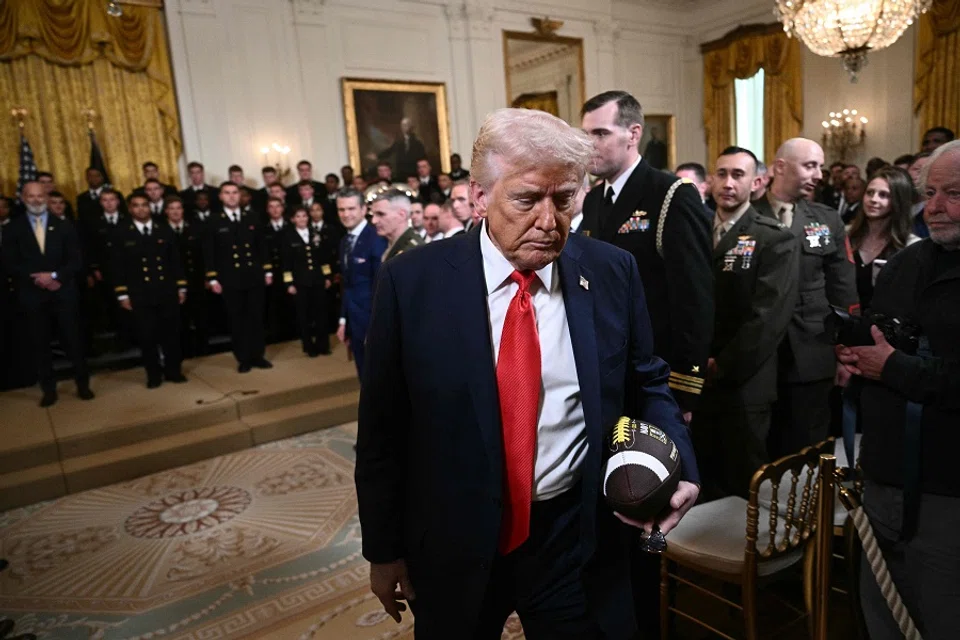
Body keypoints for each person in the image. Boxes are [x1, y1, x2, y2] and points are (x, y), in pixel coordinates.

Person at [355, 108, 699, 639]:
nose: (548, 220)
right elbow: (383, 428)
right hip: (455, 538)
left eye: (564, 199)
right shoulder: (412, 282)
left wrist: (683, 464)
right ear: (479, 196)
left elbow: (646, 379)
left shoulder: (611, 271)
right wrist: (383, 549)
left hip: (573, 537)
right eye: (526, 199)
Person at [835, 139, 960, 640]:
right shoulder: (909, 261)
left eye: (953, 193)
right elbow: (882, 336)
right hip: (882, 472)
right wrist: (856, 357)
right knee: (882, 611)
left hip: (947, 491)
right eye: (931, 192)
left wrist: (894, 368)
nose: (935, 207)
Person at [580, 90, 713, 421]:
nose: (589, 145)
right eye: (585, 135)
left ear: (633, 134)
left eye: (600, 133)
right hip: (609, 367)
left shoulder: (670, 193)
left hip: (658, 370)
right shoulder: (594, 200)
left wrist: (686, 386)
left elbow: (693, 297)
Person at [695, 146, 799, 499]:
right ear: (710, 181)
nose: (728, 183)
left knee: (745, 483)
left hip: (744, 379)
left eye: (738, 175)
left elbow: (768, 318)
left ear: (756, 182)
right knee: (702, 477)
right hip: (696, 375)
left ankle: (748, 556)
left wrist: (722, 364)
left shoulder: (774, 236)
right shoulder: (695, 228)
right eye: (721, 173)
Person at [752, 138, 858, 456]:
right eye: (810, 165)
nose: (819, 174)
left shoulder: (827, 220)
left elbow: (844, 288)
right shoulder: (747, 215)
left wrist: (846, 351)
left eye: (820, 166)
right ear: (781, 167)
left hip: (812, 349)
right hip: (757, 352)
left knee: (808, 446)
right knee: (757, 445)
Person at [2, 182, 94, 406]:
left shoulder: (64, 226)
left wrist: (55, 277)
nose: (36, 200)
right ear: (23, 198)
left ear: (46, 196)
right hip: (32, 295)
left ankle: (83, 385)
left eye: (39, 195)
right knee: (39, 343)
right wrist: (38, 278)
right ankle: (49, 389)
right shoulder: (13, 228)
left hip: (63, 293)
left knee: (73, 341)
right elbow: (9, 263)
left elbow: (75, 260)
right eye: (30, 196)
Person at [112, 194, 187, 388]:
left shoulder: (163, 229)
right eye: (136, 206)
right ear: (130, 209)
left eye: (144, 205)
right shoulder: (122, 232)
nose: (141, 209)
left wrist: (181, 287)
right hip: (140, 294)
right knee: (147, 336)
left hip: (166, 291)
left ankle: (173, 371)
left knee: (171, 334)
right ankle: (153, 374)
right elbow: (117, 266)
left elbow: (175, 261)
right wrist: (122, 294)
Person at [204, 182, 272, 373]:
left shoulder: (252, 217)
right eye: (227, 193)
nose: (232, 196)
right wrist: (213, 278)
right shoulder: (214, 220)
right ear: (220, 196)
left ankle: (258, 355)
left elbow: (261, 246)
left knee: (256, 317)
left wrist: (267, 271)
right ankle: (243, 358)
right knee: (237, 319)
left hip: (253, 276)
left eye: (235, 192)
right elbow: (209, 251)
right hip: (230, 278)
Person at [846, 166, 920, 311]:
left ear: (898, 201)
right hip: (845, 323)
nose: (873, 199)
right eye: (870, 193)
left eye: (884, 195)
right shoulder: (847, 236)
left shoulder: (910, 246)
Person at [335, 188, 386, 378]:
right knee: (363, 376)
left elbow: (380, 288)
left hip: (371, 323)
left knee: (377, 379)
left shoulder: (376, 239)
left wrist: (375, 327)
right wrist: (343, 320)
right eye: (341, 210)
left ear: (364, 209)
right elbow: (347, 286)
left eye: (351, 209)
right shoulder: (344, 241)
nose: (346, 214)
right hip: (354, 321)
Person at [282, 206, 333, 356]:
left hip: (317, 279)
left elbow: (323, 258)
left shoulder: (315, 233)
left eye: (304, 216)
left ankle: (323, 345)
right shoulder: (288, 236)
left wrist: (327, 276)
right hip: (300, 282)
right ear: (292, 219)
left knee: (321, 314)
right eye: (298, 216)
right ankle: (309, 347)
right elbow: (286, 263)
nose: (302, 219)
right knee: (304, 316)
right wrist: (289, 283)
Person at [165, 196, 209, 358]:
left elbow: (203, 255)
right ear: (166, 212)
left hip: (196, 279)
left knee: (200, 315)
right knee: (179, 318)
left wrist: (206, 277)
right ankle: (184, 350)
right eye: (172, 209)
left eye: (178, 208)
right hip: (173, 282)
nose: (176, 212)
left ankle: (203, 349)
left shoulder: (195, 228)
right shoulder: (162, 231)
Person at [262, 197, 295, 344]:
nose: (275, 209)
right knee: (274, 304)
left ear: (283, 208)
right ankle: (277, 334)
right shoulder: (264, 229)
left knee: (292, 303)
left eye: (278, 206)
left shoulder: (291, 227)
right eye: (271, 207)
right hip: (273, 272)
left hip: (290, 270)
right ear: (268, 210)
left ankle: (293, 332)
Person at [370, 189, 423, 262]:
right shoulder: (383, 243)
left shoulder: (413, 251)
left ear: (402, 215)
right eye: (373, 215)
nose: (374, 221)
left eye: (381, 214)